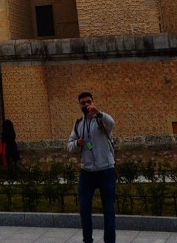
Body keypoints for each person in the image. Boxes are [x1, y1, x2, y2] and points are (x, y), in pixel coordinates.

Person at [66, 91, 116, 243]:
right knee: (84, 209)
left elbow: (112, 123)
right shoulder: (78, 124)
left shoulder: (101, 120)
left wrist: (98, 112)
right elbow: (69, 146)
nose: (86, 105)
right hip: (87, 172)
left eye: (89, 101)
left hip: (106, 170)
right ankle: (87, 240)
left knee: (108, 210)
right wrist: (77, 144)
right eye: (83, 103)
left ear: (93, 102)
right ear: (79, 105)